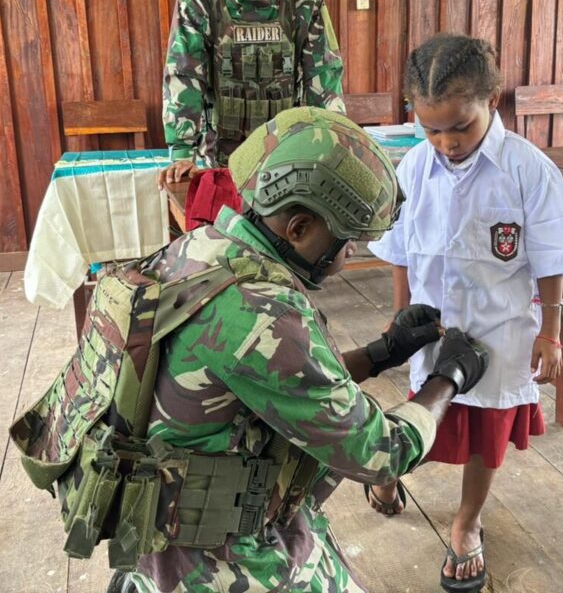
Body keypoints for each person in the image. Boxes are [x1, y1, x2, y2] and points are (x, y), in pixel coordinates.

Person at [109, 107, 489, 592]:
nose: (352, 253)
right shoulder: (260, 311)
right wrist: (449, 378)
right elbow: (379, 453)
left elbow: (279, 382)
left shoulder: (199, 249)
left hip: (157, 517)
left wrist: (382, 353)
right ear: (300, 229)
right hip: (212, 552)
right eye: (348, 240)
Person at [366, 35, 563, 592]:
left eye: (459, 127)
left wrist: (550, 330)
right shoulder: (414, 168)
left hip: (502, 327)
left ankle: (467, 522)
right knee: (422, 411)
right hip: (433, 324)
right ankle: (391, 475)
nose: (446, 142)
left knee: (486, 428)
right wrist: (402, 319)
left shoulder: (527, 169)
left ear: (492, 99)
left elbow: (551, 254)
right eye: (431, 128)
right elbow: (401, 250)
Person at [158, 0, 344, 189]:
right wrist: (181, 151)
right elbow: (184, 74)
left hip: (287, 158)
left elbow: (324, 78)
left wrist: (329, 143)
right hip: (219, 163)